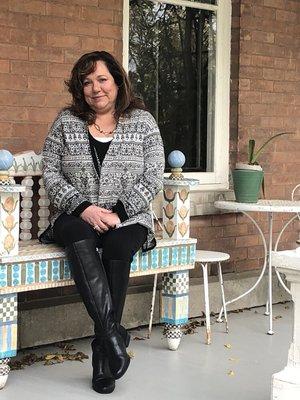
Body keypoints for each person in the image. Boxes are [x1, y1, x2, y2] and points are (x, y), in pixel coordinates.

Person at [40, 51, 165, 394]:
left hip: (129, 218)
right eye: (86, 81)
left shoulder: (142, 122)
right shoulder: (65, 122)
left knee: (119, 245)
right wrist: (84, 208)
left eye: (102, 79)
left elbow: (154, 175)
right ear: (80, 88)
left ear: (117, 81)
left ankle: (101, 352)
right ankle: (113, 336)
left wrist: (118, 214)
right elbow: (50, 172)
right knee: (77, 232)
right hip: (74, 215)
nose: (95, 88)